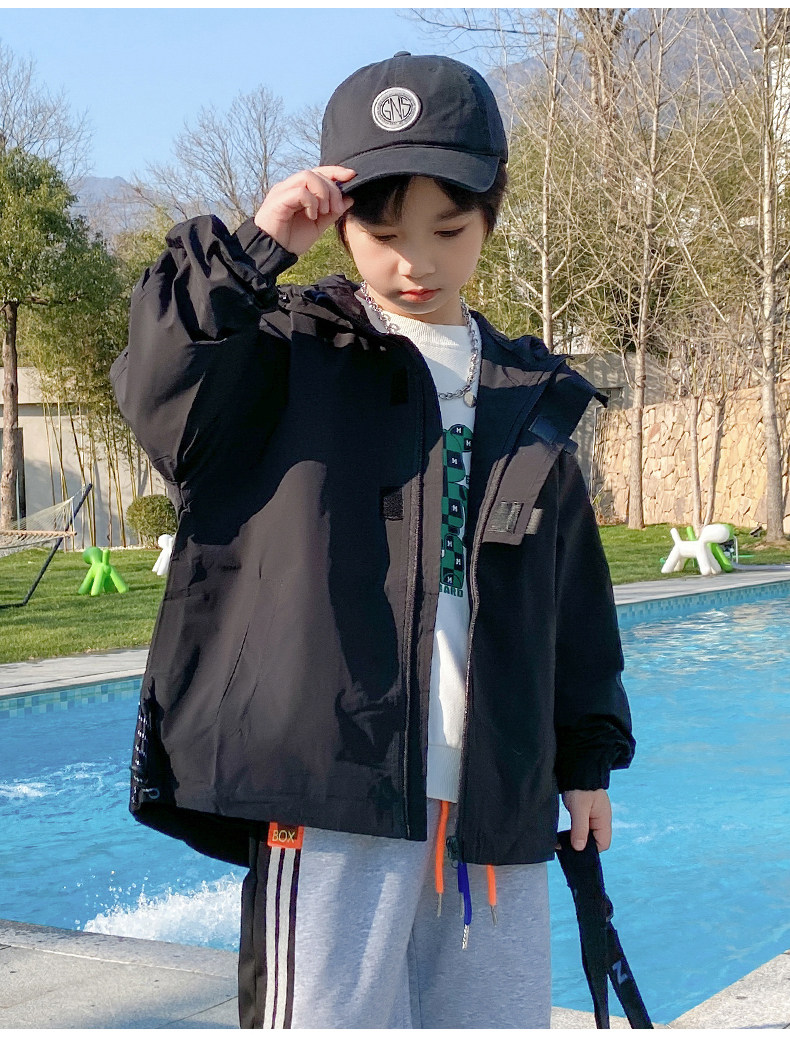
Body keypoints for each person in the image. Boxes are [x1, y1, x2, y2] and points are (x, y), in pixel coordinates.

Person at [111, 52, 635, 1030]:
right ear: (340, 220)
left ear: (490, 217)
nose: (415, 262)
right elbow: (159, 390)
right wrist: (256, 251)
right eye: (382, 233)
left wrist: (585, 759)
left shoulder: (528, 394)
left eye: (448, 229)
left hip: (494, 803)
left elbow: (568, 594)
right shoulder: (287, 356)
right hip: (331, 799)